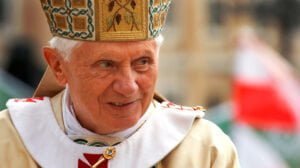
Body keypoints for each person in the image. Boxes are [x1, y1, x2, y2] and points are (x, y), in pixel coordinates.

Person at [0, 0, 240, 167]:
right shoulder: (7, 142)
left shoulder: (204, 151)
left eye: (142, 62)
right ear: (58, 66)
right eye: (106, 65)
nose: (128, 86)